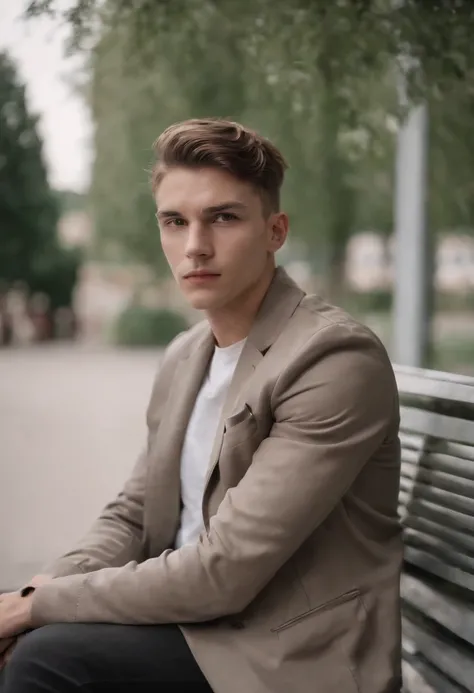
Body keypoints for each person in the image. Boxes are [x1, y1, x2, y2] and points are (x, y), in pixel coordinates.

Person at [0, 119, 403, 693]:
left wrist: (38, 607)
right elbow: (135, 515)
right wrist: (38, 591)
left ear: (275, 230)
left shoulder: (333, 359)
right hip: (193, 625)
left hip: (284, 653)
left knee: (46, 658)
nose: (195, 246)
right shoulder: (185, 356)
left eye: (224, 217)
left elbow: (225, 571)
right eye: (175, 221)